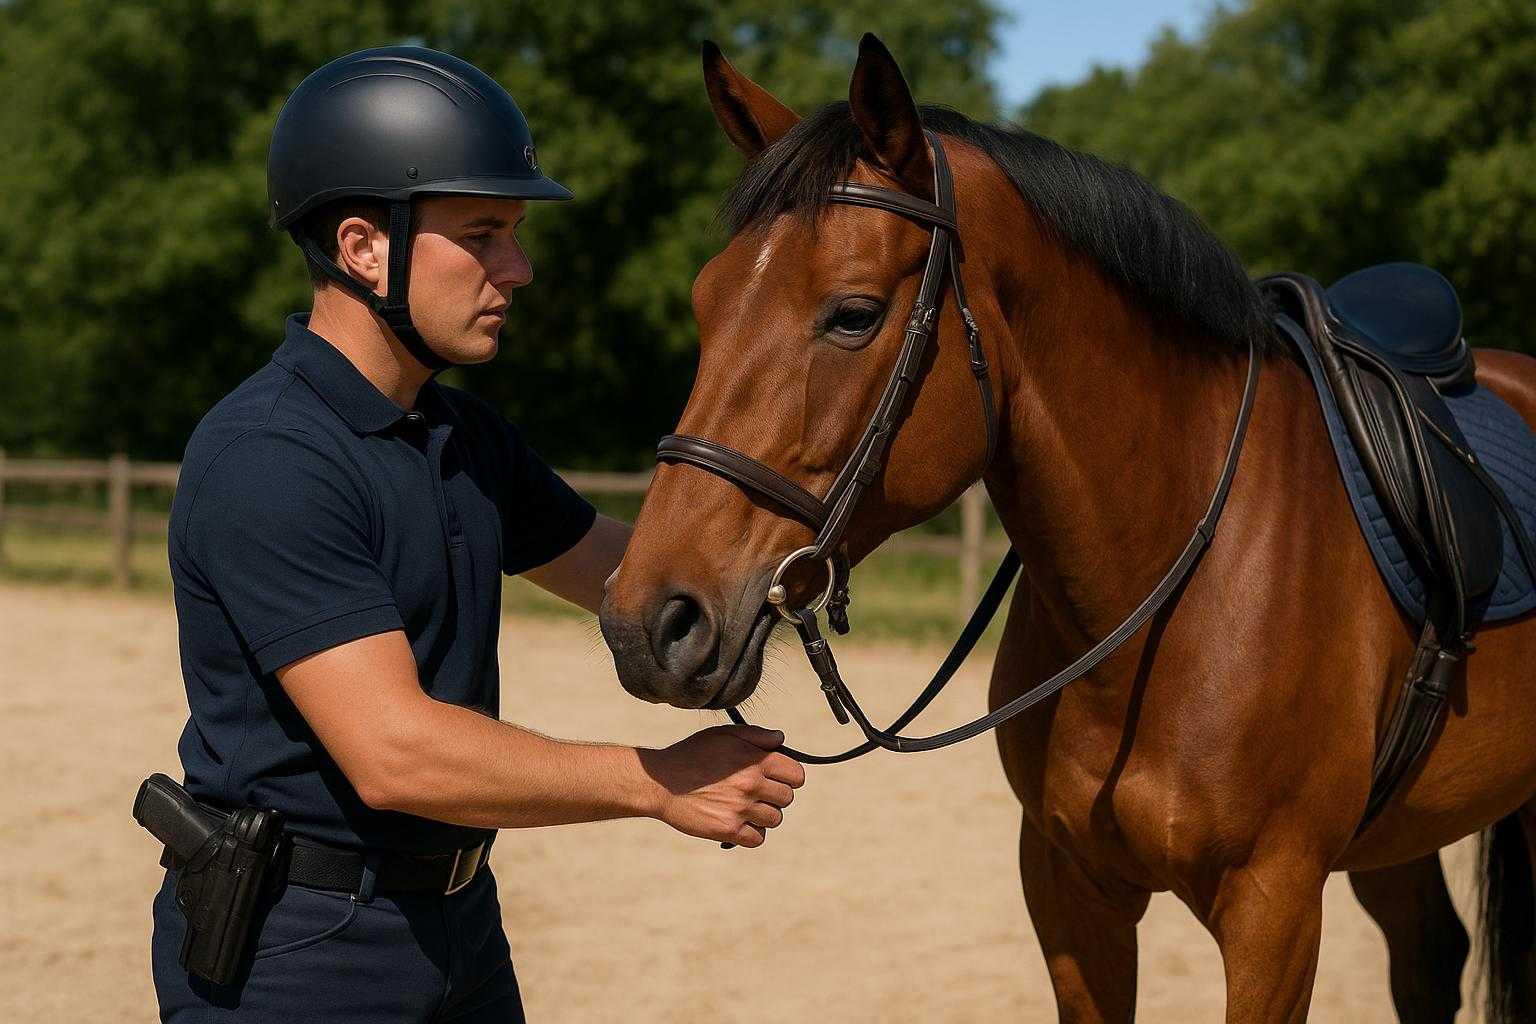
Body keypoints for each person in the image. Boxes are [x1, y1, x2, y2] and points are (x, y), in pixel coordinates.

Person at [149, 46, 805, 1022]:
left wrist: (795, 554)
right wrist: (658, 780)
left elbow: (621, 569)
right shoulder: (270, 455)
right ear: (366, 247)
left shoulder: (459, 434)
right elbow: (394, 750)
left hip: (460, 923)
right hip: (300, 951)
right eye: (486, 232)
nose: (520, 268)